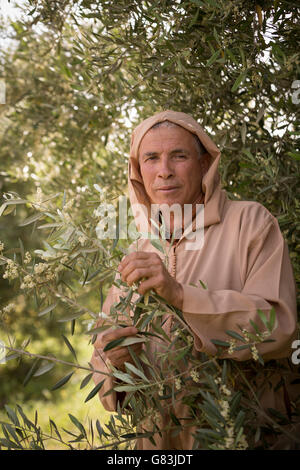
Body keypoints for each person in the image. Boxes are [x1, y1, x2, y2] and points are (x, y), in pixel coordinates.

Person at [90, 110, 299, 449]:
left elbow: (277, 326)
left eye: (179, 156)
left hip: (242, 438)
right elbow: (104, 358)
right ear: (139, 173)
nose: (164, 171)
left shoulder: (251, 223)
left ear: (205, 165)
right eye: (151, 158)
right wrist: (114, 366)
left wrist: (181, 296)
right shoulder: (135, 249)